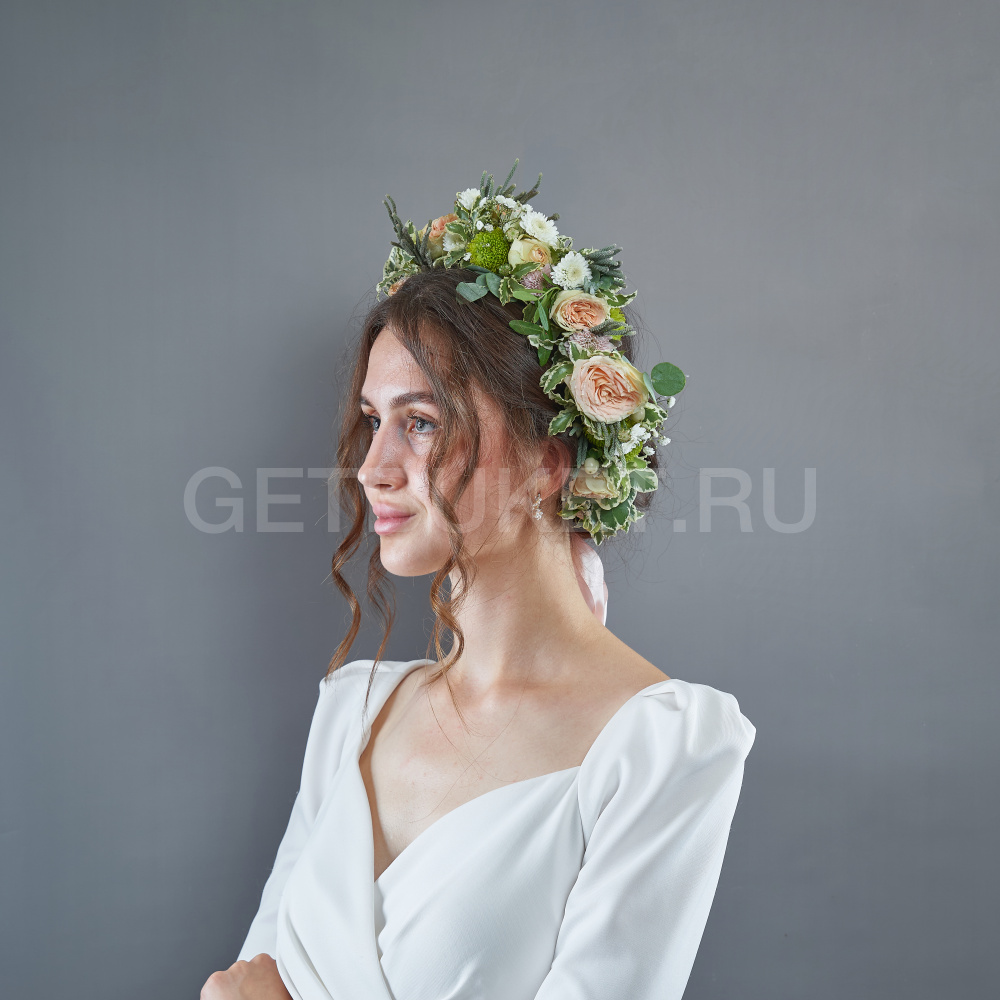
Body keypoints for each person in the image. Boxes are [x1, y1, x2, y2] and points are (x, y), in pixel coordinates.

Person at [202, 164, 756, 1000]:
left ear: (547, 462)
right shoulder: (351, 715)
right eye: (373, 421)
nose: (373, 468)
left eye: (421, 423)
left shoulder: (658, 748)